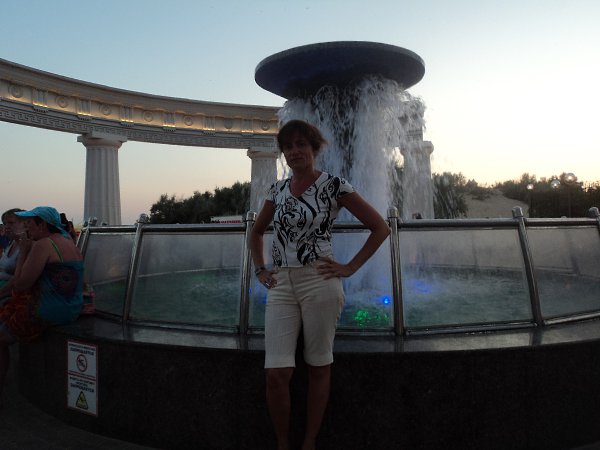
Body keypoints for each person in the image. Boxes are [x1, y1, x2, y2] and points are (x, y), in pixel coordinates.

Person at [249, 120, 390, 450]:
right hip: (281, 284)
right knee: (276, 373)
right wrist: (259, 269)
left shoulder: (334, 185)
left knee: (318, 365)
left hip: (320, 281)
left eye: (301, 144)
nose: (294, 151)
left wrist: (350, 267)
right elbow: (256, 232)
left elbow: (380, 227)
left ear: (314, 148)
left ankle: (310, 441)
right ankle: (282, 443)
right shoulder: (277, 190)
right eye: (288, 146)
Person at [0, 206, 84, 407]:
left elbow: (21, 284)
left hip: (47, 310)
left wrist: (24, 252)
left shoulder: (43, 245)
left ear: (43, 224)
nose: (27, 228)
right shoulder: (68, 242)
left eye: (29, 223)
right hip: (72, 307)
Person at [0, 208, 26, 300]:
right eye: (5, 223)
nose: (6, 226)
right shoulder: (12, 243)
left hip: (11, 294)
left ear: (25, 224)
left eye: (11, 223)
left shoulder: (28, 246)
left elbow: (21, 279)